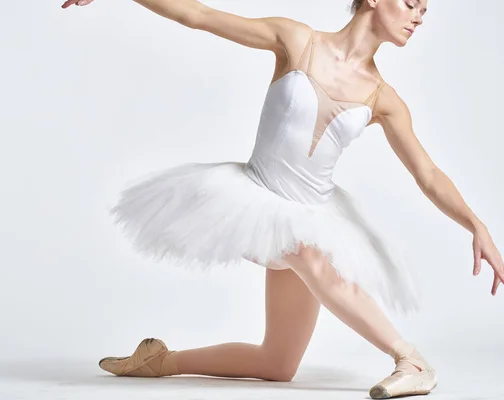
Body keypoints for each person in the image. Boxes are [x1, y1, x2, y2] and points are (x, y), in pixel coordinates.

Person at [62, 0, 504, 398]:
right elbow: (197, 16)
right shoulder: (296, 40)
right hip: (255, 200)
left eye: (424, 9)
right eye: (411, 3)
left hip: (314, 213)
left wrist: (476, 225)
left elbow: (427, 174)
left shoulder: (384, 99)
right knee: (304, 250)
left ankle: (160, 360)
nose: (419, 15)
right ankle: (412, 360)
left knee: (278, 364)